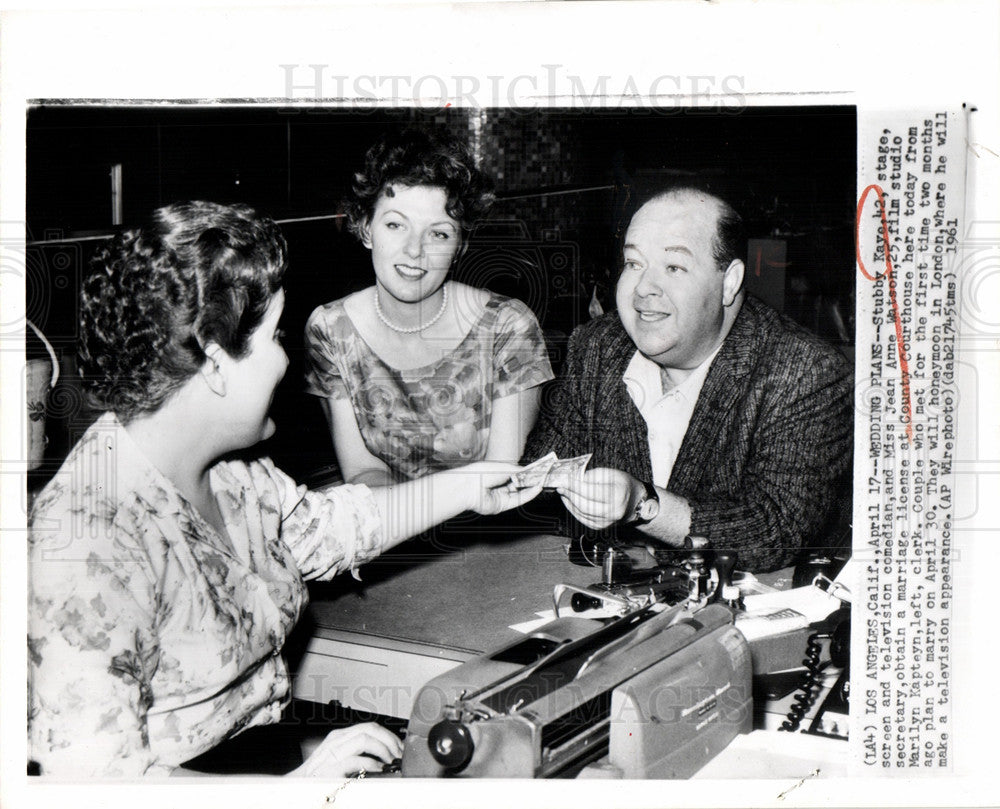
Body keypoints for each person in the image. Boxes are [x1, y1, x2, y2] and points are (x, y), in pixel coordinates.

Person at [27, 201, 541, 778]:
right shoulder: (85, 540)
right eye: (275, 336)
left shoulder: (228, 472)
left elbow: (333, 529)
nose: (286, 360)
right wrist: (296, 789)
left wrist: (474, 482)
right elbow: (92, 783)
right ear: (217, 360)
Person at [524, 184, 853, 573]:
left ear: (729, 282)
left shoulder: (804, 371)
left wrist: (641, 504)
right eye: (633, 263)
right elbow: (543, 480)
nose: (644, 288)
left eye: (674, 267)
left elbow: (774, 531)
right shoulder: (597, 346)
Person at [304, 129, 553, 486]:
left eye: (438, 233)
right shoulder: (330, 329)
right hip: (387, 530)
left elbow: (500, 477)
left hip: (487, 531)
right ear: (366, 229)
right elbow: (363, 474)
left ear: (459, 247)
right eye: (395, 225)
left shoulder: (508, 327)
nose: (414, 250)